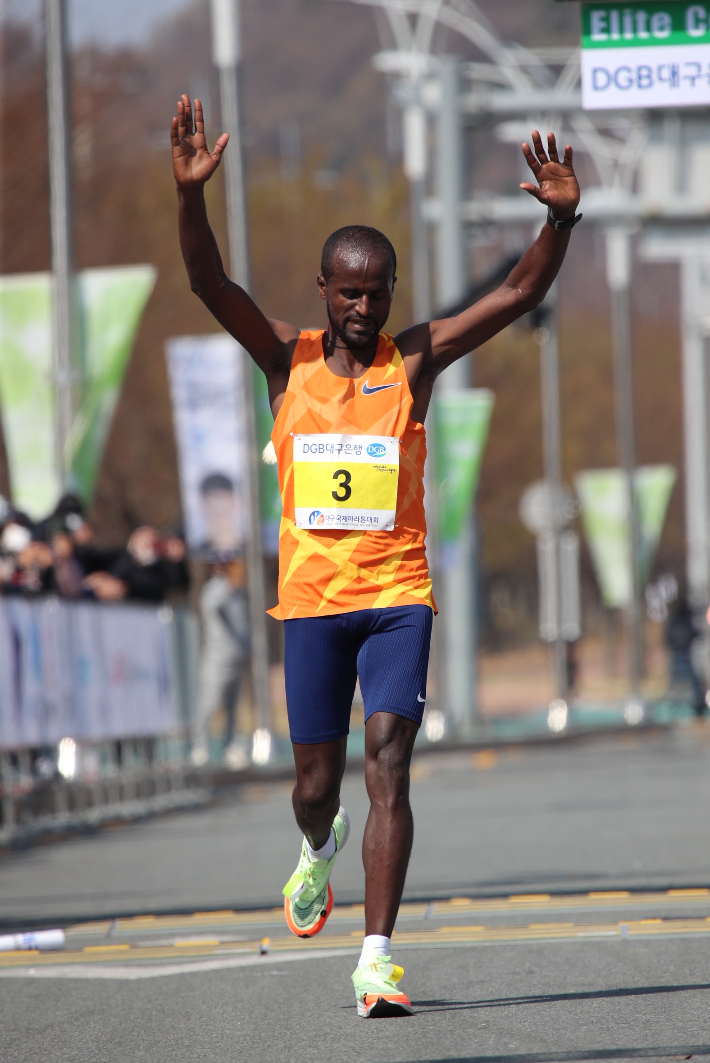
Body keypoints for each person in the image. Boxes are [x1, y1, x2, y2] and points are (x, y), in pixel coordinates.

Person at [172, 93, 581, 1018]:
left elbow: (517, 294)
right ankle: (317, 847)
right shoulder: (288, 359)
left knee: (389, 760)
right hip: (313, 603)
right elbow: (209, 284)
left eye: (377, 291)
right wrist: (190, 198)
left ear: (392, 290)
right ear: (323, 290)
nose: (362, 307)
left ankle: (377, 956)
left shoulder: (418, 360)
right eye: (347, 291)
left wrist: (560, 219)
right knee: (316, 783)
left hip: (399, 594)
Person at [190, 558, 250, 768]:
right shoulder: (215, 590)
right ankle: (200, 747)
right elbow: (213, 607)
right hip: (216, 657)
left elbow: (242, 624)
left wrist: (248, 648)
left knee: (232, 707)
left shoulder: (239, 594)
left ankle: (229, 745)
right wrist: (227, 586)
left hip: (236, 657)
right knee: (209, 704)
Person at [666, 597, 706, 717]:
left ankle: (672, 705)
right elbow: (695, 634)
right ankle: (697, 704)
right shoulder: (687, 622)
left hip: (676, 655)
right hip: (685, 655)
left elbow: (667, 638)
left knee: (675, 682)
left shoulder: (673, 622)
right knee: (693, 682)